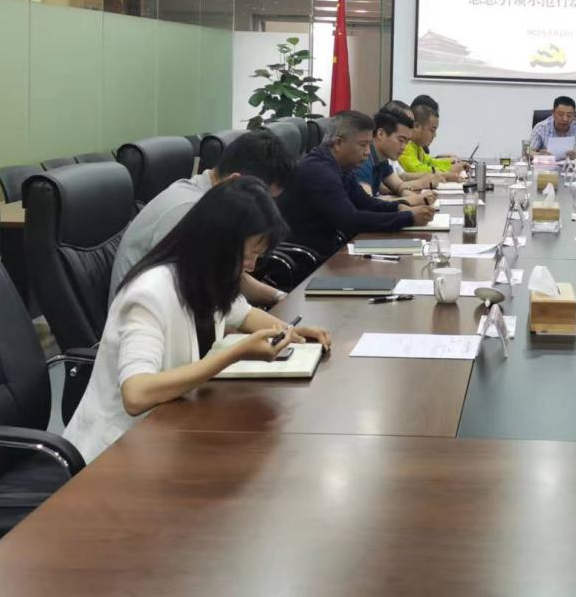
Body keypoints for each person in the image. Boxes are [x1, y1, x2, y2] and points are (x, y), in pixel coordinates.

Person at [64, 178, 331, 463]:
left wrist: (292, 332)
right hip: (117, 450)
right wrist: (234, 353)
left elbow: (244, 314)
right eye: (248, 255)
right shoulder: (149, 293)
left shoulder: (205, 275)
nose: (252, 266)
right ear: (217, 243)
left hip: (170, 430)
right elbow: (136, 394)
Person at [109, 129, 293, 307]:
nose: (267, 208)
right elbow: (192, 298)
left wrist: (278, 296)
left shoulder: (215, 203)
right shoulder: (189, 213)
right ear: (235, 182)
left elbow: (227, 274)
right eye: (264, 197)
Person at [282, 110, 436, 259]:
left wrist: (399, 207)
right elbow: (351, 220)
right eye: (363, 145)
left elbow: (366, 203)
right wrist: (408, 217)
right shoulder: (320, 171)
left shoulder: (340, 167)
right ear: (338, 143)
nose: (368, 152)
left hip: (331, 250)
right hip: (308, 259)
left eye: (369, 144)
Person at [355, 107, 439, 203]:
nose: (404, 147)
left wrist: (417, 197)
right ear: (381, 134)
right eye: (401, 140)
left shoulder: (382, 159)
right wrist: (414, 199)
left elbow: (399, 186)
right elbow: (368, 203)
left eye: (406, 142)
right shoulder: (363, 159)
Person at [398, 103, 468, 179]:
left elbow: (430, 162)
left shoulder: (417, 145)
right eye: (432, 130)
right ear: (417, 126)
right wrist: (448, 171)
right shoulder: (405, 145)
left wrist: (452, 163)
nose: (435, 135)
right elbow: (417, 170)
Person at [529, 96, 576, 163]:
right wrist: (539, 155)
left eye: (569, 115)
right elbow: (528, 152)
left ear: (574, 115)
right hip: (547, 167)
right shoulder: (541, 127)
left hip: (573, 167)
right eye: (560, 114)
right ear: (553, 112)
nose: (565, 119)